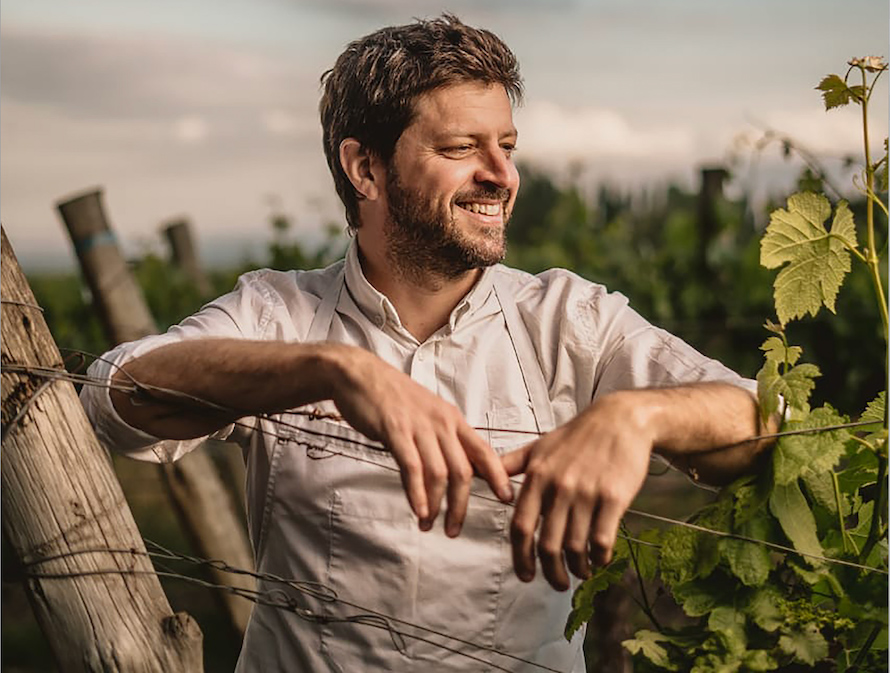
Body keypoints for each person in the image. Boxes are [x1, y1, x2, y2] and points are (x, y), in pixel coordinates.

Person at [82, 14, 775, 672]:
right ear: (366, 169)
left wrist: (639, 415)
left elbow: (763, 416)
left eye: (506, 146)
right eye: (461, 148)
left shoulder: (567, 319)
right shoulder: (281, 313)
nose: (501, 176)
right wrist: (332, 370)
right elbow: (113, 395)